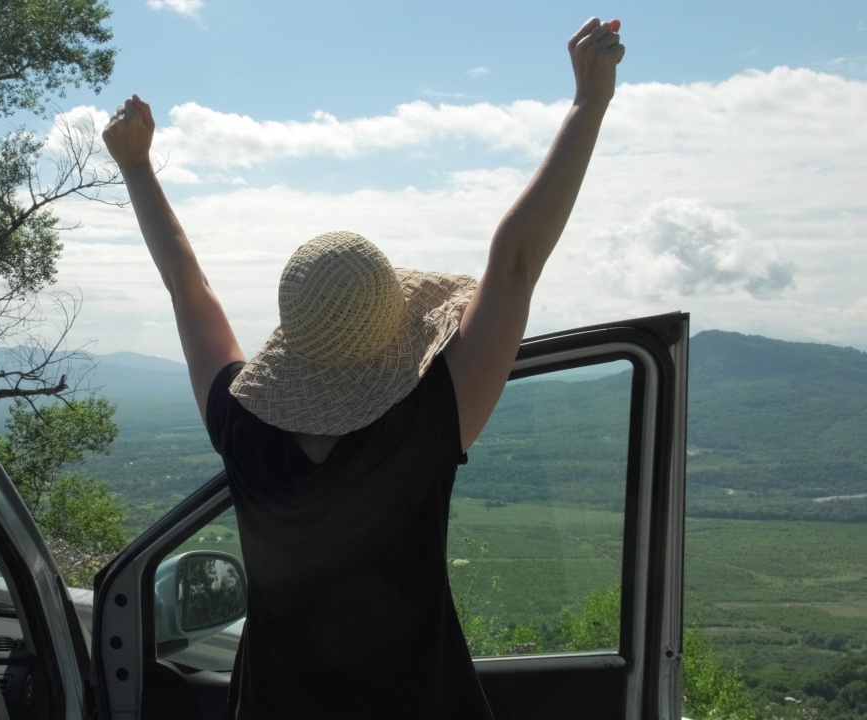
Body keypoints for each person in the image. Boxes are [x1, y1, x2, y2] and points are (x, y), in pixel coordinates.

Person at [102, 17, 625, 719]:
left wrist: (135, 164)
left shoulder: (241, 423)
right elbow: (518, 261)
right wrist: (588, 102)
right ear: (392, 335)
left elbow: (186, 286)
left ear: (294, 335)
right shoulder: (433, 416)